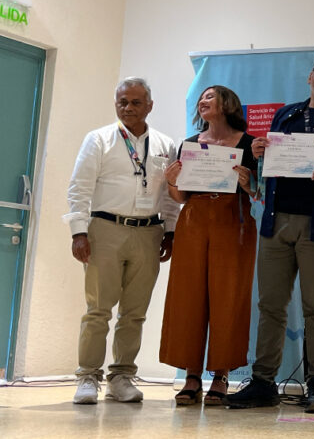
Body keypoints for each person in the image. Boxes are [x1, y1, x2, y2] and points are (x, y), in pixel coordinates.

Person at [224, 50, 314, 413]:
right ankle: (263, 382)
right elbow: (269, 164)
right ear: (310, 77)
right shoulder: (285, 115)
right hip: (276, 221)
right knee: (270, 305)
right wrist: (258, 150)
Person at [64, 77, 179, 404]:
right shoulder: (98, 139)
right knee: (98, 309)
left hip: (149, 233)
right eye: (122, 102)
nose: (128, 108)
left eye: (135, 102)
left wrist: (170, 230)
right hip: (105, 229)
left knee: (135, 312)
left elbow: (168, 194)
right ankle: (88, 376)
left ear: (150, 106)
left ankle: (121, 376)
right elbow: (79, 187)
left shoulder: (165, 144)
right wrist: (78, 232)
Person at [160, 85, 258, 406]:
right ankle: (191, 375)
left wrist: (248, 182)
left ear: (228, 103)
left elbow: (258, 192)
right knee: (188, 296)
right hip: (194, 219)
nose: (203, 101)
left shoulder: (248, 143)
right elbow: (180, 196)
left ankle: (221, 375)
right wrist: (172, 180)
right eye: (201, 98)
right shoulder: (189, 143)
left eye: (210, 97)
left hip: (233, 220)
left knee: (228, 296)